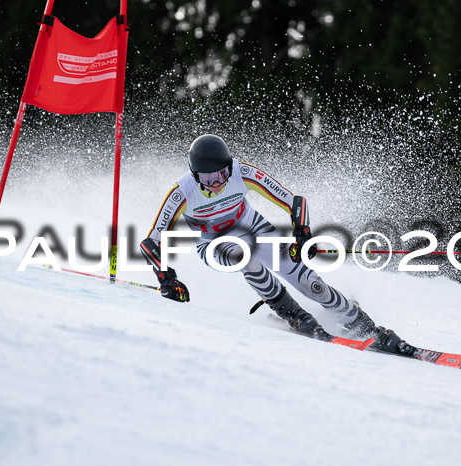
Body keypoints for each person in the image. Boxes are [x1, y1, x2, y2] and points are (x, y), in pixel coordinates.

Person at [140, 134, 414, 355]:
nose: (218, 185)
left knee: (309, 283)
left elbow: (294, 201)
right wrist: (167, 278)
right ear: (195, 175)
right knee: (244, 257)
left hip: (254, 229)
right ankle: (292, 313)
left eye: (222, 175)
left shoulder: (242, 173)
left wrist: (302, 232)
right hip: (213, 243)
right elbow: (151, 243)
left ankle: (363, 325)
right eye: (209, 180)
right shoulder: (181, 193)